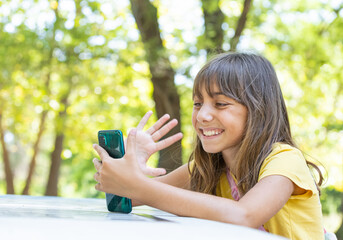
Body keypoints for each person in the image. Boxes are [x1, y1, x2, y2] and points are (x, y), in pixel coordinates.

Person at [92, 52, 329, 240]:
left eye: (220, 104)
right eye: (197, 103)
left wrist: (138, 185)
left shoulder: (284, 160)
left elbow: (244, 215)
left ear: (259, 110)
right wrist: (130, 169)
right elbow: (126, 199)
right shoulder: (208, 167)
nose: (202, 115)